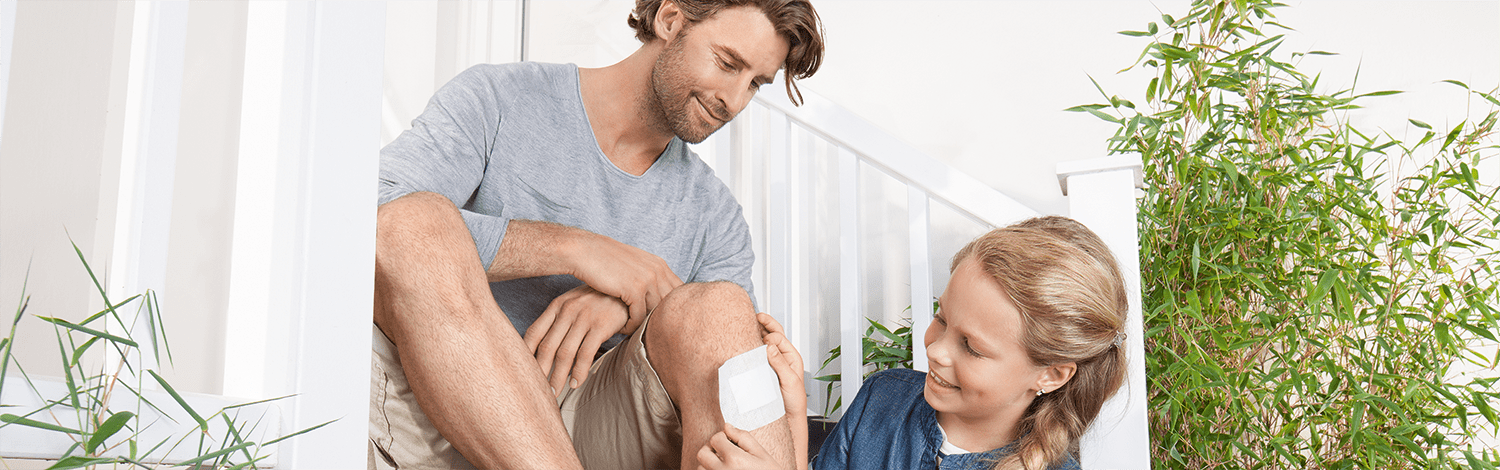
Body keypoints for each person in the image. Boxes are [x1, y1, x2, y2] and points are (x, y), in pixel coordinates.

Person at [369, 0, 824, 468]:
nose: (734, 99)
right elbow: (369, 214)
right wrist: (577, 249)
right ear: (670, 20)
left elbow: (736, 382)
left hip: (589, 426)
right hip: (433, 402)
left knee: (720, 309)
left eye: (754, 84)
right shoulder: (502, 97)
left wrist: (630, 304)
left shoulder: (716, 218)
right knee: (412, 222)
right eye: (728, 64)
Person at [696, 216, 1129, 470]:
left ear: (1051, 374)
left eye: (971, 347)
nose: (936, 350)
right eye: (941, 319)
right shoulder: (882, 398)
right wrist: (794, 410)